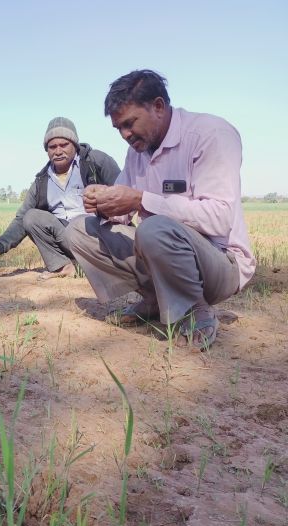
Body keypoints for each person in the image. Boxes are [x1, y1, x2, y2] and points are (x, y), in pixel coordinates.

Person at [67, 70, 255, 350]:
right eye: (119, 128)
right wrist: (103, 201)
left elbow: (219, 218)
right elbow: (122, 210)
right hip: (160, 247)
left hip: (220, 262)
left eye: (129, 123)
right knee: (79, 230)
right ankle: (156, 299)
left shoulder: (211, 134)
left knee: (154, 227)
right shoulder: (137, 151)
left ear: (158, 106)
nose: (125, 135)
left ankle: (193, 309)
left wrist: (142, 200)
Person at [0, 117, 120, 278]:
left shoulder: (96, 161)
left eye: (64, 145)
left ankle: (107, 263)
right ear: (47, 150)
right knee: (31, 216)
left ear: (74, 145)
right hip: (68, 239)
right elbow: (22, 217)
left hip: (99, 236)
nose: (58, 151)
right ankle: (64, 266)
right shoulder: (42, 180)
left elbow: (123, 191)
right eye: (52, 147)